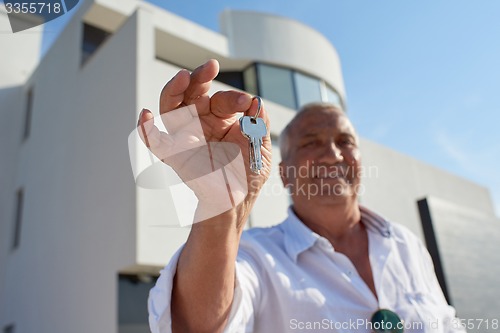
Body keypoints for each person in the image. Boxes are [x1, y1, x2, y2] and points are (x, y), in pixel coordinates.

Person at [141, 59, 466, 333]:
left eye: (345, 141)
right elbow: (197, 325)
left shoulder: (406, 245)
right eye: (310, 143)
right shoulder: (255, 256)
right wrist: (221, 207)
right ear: (284, 173)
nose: (333, 155)